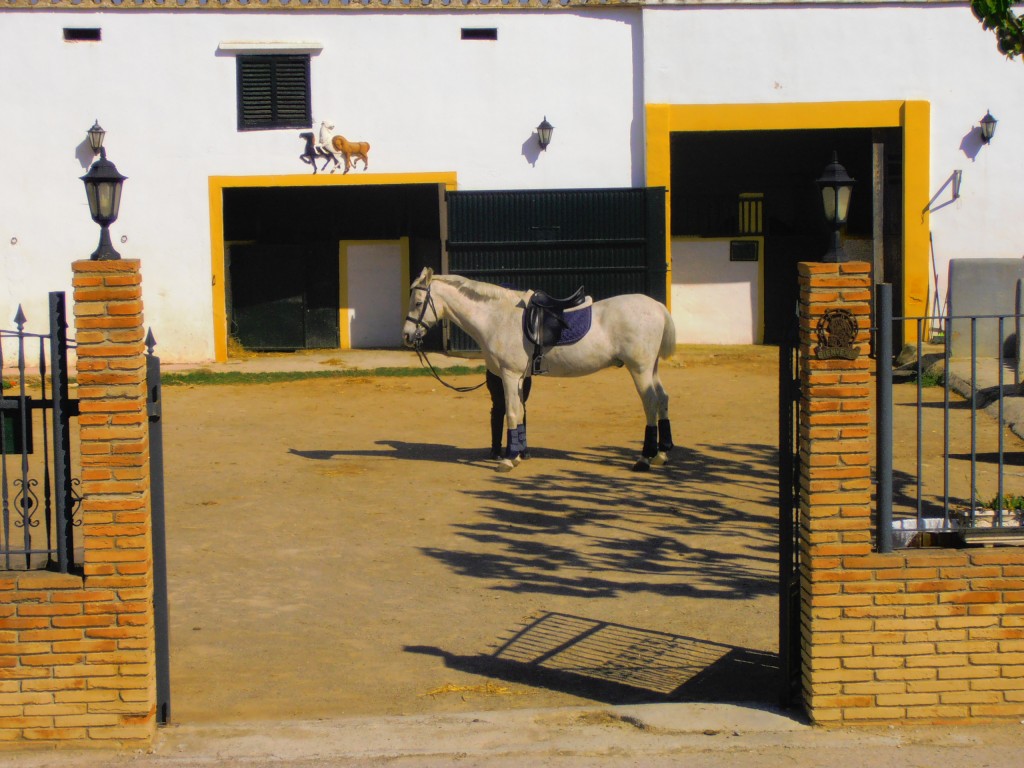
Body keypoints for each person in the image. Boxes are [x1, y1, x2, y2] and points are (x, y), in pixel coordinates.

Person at [487, 370, 532, 459]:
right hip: (497, 374)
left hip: (521, 374)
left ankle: (521, 446)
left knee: (520, 406)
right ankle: (496, 448)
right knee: (499, 407)